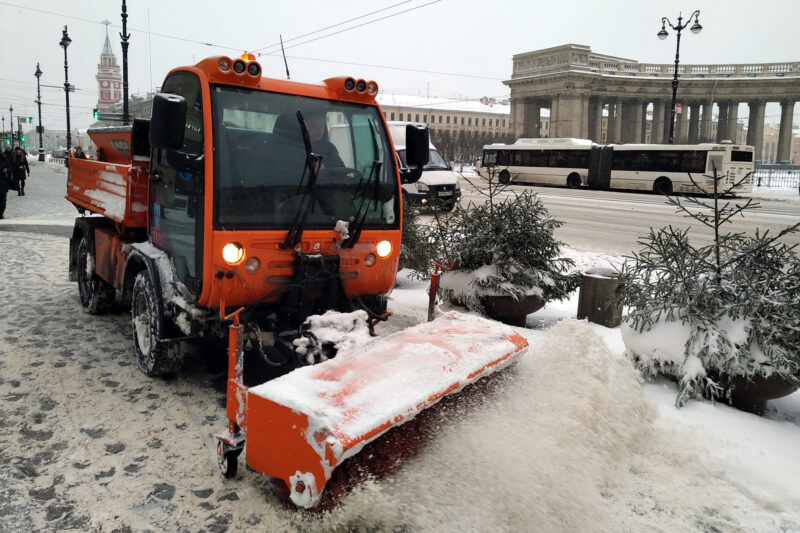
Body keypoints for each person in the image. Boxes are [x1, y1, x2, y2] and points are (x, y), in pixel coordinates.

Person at [0, 148, 11, 218]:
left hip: (2, 182)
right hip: (3, 182)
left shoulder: (3, 157)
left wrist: (6, 169)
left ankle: (1, 213)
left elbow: (10, 168)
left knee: (2, 199)